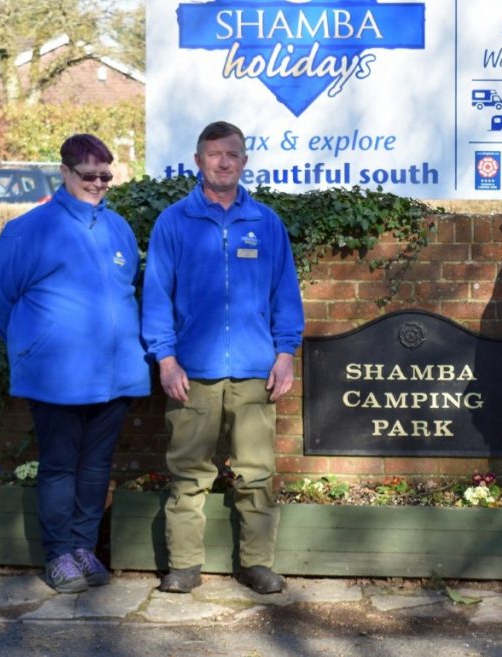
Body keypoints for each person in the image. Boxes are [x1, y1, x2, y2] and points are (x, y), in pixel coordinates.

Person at [0, 134, 150, 593]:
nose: (98, 183)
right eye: (88, 175)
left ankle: (83, 549)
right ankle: (58, 555)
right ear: (65, 173)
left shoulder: (118, 227)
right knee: (59, 467)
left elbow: (126, 286)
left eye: (105, 176)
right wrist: (31, 346)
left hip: (114, 376)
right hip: (56, 377)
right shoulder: (28, 230)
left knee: (96, 468)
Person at [142, 121, 304, 595]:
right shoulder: (174, 222)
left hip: (256, 370)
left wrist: (285, 351)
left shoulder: (266, 222)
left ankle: (256, 564)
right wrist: (166, 359)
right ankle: (184, 566)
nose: (223, 161)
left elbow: (285, 294)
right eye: (214, 154)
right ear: (198, 161)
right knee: (188, 474)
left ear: (244, 161)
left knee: (257, 474)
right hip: (193, 373)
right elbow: (155, 297)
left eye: (232, 153)